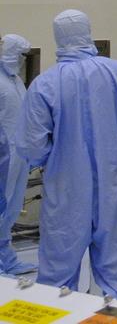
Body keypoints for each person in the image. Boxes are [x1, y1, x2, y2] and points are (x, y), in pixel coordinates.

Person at [18, 10, 117, 300]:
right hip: (112, 189)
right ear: (88, 32)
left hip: (66, 192)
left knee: (56, 277)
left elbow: (30, 146)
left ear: (57, 38)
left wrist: (56, 157)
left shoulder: (45, 85)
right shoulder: (116, 72)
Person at [0, 34, 33, 274]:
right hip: (3, 155)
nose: (23, 60)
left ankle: (6, 258)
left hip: (18, 155)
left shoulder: (16, 82)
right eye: (20, 55)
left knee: (11, 207)